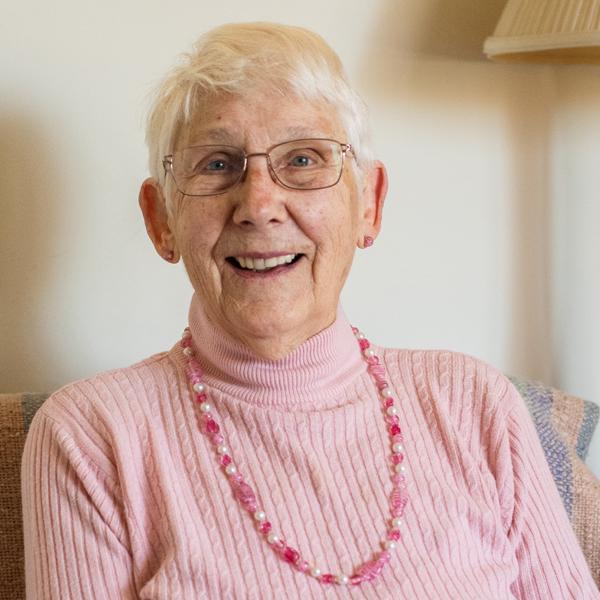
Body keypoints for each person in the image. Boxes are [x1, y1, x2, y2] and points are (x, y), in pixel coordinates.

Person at [21, 22, 599, 600]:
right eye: (217, 164)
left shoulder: (473, 403)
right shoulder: (91, 436)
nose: (259, 204)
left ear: (369, 204)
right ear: (160, 220)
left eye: (302, 159)